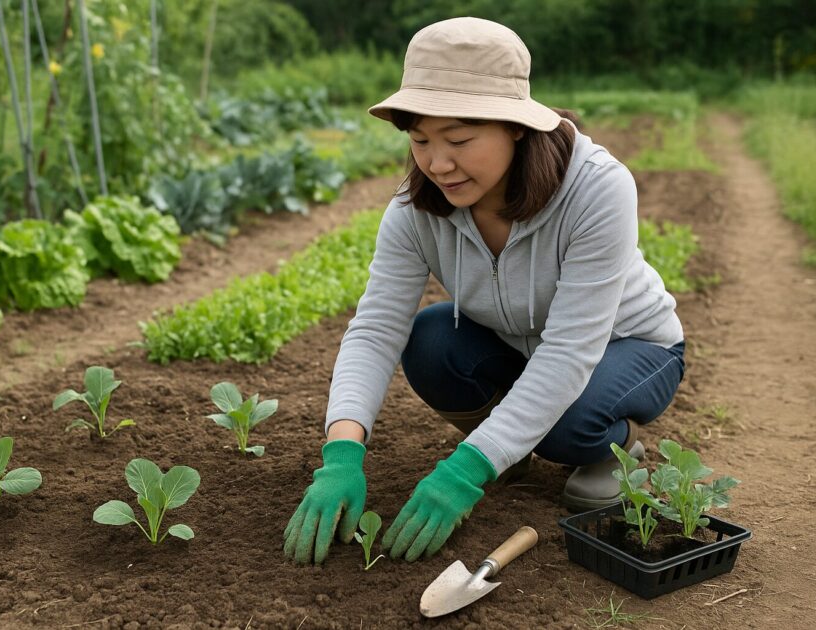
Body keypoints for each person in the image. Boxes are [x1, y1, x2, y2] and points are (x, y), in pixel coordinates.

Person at [283, 16, 685, 565]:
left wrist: (463, 472)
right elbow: (376, 329)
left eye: (459, 139)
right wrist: (341, 455)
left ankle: (614, 448)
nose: (437, 163)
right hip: (518, 344)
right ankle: (507, 448)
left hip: (629, 347)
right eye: (420, 140)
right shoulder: (415, 210)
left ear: (516, 126)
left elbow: (569, 350)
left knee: (567, 424)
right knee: (428, 341)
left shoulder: (596, 188)